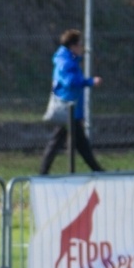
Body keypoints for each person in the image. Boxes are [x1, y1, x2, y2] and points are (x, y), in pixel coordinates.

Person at [40, 29, 105, 175]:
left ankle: (98, 171)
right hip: (66, 109)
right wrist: (89, 81)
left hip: (73, 110)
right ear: (72, 46)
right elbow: (69, 82)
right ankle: (42, 173)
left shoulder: (70, 61)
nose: (82, 48)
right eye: (80, 45)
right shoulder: (65, 62)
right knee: (60, 142)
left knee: (79, 143)